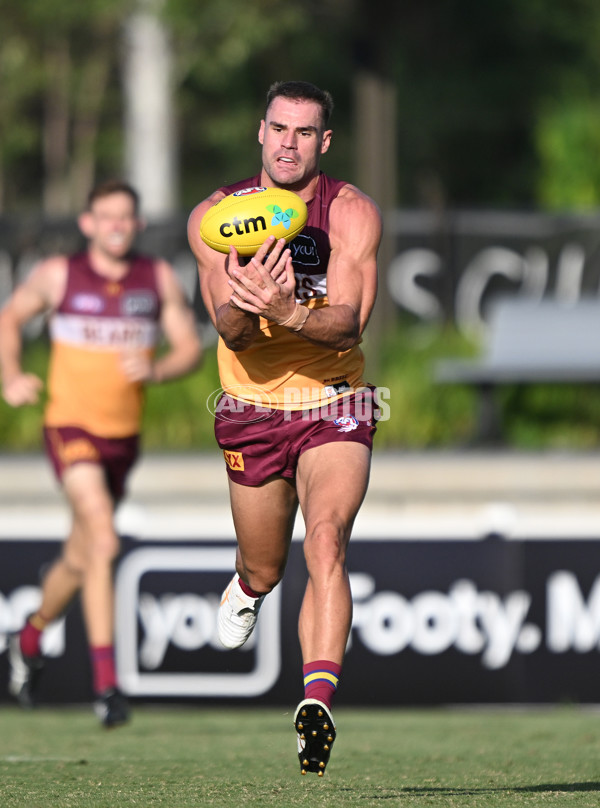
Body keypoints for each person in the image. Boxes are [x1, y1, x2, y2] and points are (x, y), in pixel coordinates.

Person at [187, 80, 382, 774]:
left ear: (324, 142)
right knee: (266, 566)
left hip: (337, 400)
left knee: (325, 541)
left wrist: (291, 308)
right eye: (278, 129)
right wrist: (252, 299)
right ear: (259, 132)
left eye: (304, 132)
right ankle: (245, 587)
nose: (288, 143)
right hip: (251, 408)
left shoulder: (350, 214)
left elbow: (349, 324)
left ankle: (316, 705)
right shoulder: (215, 217)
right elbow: (231, 333)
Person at [0, 180, 202, 727]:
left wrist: (158, 368)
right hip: (70, 427)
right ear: (87, 222)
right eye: (105, 216)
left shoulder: (155, 277)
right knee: (105, 538)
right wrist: (12, 373)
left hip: (123, 438)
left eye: (125, 217)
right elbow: (9, 318)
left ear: (136, 225)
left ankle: (31, 635)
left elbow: (189, 347)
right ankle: (109, 688)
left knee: (82, 552)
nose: (115, 225)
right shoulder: (60, 274)